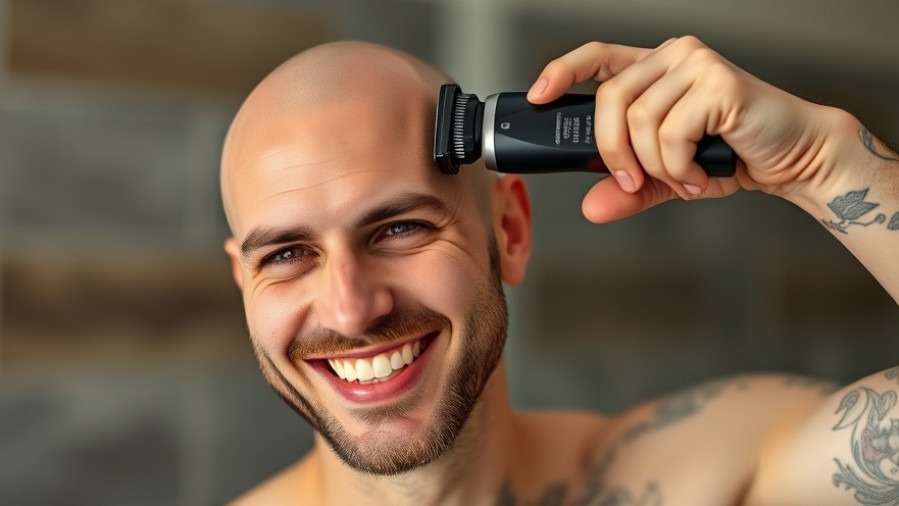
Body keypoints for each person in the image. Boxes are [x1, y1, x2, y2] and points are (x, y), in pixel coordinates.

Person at [219, 35, 899, 505]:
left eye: (399, 228)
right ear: (244, 280)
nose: (349, 309)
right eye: (286, 255)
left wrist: (827, 165)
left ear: (508, 230)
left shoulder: (709, 479)